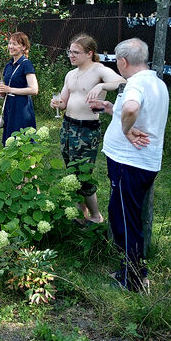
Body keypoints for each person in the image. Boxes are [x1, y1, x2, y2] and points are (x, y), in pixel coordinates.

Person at [89, 38, 169, 292]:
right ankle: (129, 270)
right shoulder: (156, 83)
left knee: (126, 220)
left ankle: (133, 279)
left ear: (123, 62)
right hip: (139, 162)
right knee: (123, 214)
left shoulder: (136, 83)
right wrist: (111, 108)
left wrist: (126, 130)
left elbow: (132, 109)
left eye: (117, 61)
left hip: (129, 163)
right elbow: (133, 111)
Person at [50, 34, 125, 224]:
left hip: (86, 129)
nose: (71, 55)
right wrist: (57, 104)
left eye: (76, 52)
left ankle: (96, 216)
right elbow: (64, 102)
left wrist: (101, 85)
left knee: (83, 174)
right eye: (70, 51)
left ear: (89, 53)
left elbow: (122, 82)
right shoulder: (70, 74)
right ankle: (81, 214)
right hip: (68, 126)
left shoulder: (98, 70)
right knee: (72, 172)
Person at [0, 32, 38, 144]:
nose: (10, 46)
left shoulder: (26, 64)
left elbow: (34, 89)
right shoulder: (8, 65)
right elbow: (7, 86)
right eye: (10, 43)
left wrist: (9, 90)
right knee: (10, 141)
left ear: (23, 47)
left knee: (22, 141)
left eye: (14, 44)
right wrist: (2, 93)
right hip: (9, 106)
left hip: (22, 108)